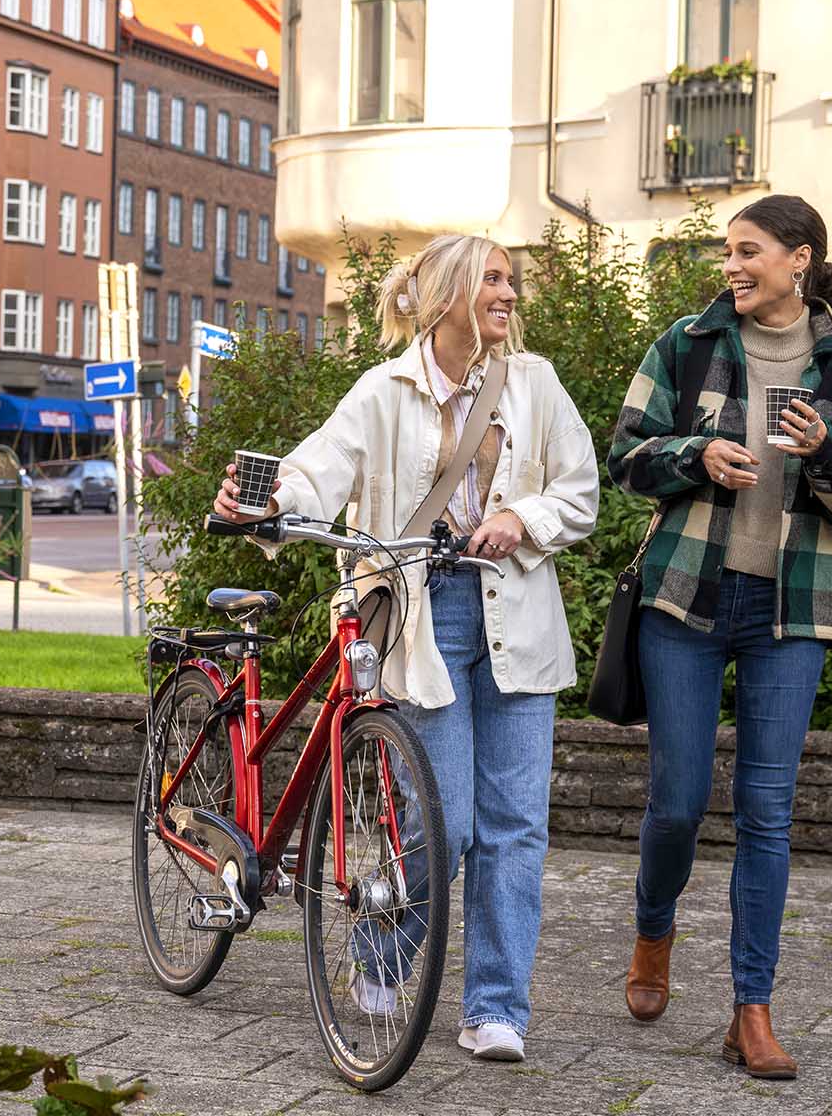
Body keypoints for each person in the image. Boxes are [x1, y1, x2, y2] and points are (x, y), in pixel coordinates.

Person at [212, 234, 600, 1062]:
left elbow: (579, 491)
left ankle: (497, 1008)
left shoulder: (535, 383)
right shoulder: (383, 389)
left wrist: (519, 520)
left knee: (517, 827)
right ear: (450, 293)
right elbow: (320, 468)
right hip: (422, 615)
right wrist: (266, 499)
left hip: (517, 618)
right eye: (492, 279)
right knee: (446, 823)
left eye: (510, 280)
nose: (507, 292)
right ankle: (382, 952)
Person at [606, 194, 832, 1080]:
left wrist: (825, 457)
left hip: (791, 611)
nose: (731, 267)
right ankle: (653, 931)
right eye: (727, 253)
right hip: (686, 598)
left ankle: (752, 1011)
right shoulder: (686, 344)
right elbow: (623, 454)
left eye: (748, 251)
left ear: (798, 260)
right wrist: (695, 455)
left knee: (768, 816)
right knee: (678, 803)